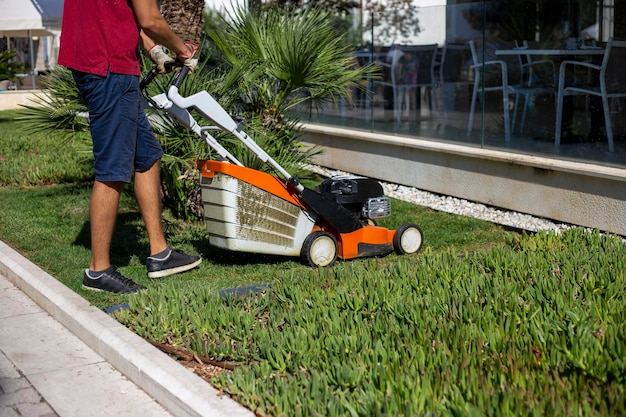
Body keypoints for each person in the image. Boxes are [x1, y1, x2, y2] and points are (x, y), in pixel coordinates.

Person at [58, 0, 202, 294]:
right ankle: (98, 271)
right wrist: (182, 50)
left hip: (98, 63)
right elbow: (149, 19)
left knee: (147, 155)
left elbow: (122, 14)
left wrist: (153, 50)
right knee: (113, 168)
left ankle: (160, 253)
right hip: (109, 68)